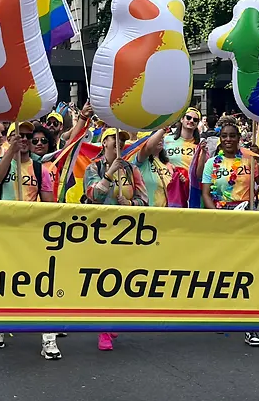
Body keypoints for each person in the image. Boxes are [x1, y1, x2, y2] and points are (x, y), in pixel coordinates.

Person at [0, 121, 60, 358]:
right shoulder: (0, 162)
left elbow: (50, 207)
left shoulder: (41, 171)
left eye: (29, 136)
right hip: (3, 235)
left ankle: (49, 338)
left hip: (32, 236)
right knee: (2, 281)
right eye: (20, 135)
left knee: (43, 285)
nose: (26, 139)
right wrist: (10, 153)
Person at [201, 115, 259, 343]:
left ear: (239, 138)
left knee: (248, 270)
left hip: (247, 220)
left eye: (233, 136)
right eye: (224, 136)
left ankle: (250, 325)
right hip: (222, 220)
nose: (229, 139)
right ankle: (222, 313)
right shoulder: (212, 163)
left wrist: (258, 159)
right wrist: (218, 217)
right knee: (224, 269)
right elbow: (205, 192)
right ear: (219, 139)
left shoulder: (249, 159)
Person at [84, 128, 148, 351]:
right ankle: (103, 329)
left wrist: (129, 204)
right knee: (104, 280)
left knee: (121, 279)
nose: (119, 146)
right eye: (114, 142)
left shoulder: (132, 170)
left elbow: (144, 201)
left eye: (122, 142)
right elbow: (92, 197)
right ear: (104, 144)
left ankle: (113, 319)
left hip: (126, 234)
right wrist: (109, 174)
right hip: (100, 234)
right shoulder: (94, 168)